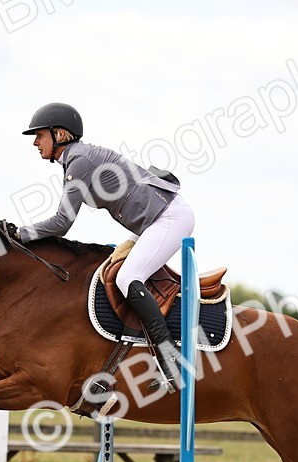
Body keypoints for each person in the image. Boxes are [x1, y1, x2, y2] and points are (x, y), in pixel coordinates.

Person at [14, 102, 195, 391]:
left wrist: (20, 234)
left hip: (168, 218)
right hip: (158, 220)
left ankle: (171, 360)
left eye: (40, 135)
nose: (35, 142)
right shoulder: (76, 159)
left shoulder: (79, 161)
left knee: (127, 278)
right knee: (112, 270)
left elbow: (62, 223)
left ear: (59, 134)